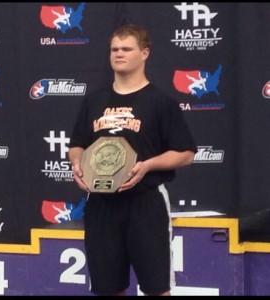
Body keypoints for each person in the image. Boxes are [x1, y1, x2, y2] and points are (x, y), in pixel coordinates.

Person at [68, 24, 197, 296]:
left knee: (156, 288)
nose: (119, 54)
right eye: (114, 49)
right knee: (107, 288)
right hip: (101, 202)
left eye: (126, 49)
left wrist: (148, 165)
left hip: (145, 203)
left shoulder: (161, 102)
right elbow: (77, 144)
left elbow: (186, 153)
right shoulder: (94, 101)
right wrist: (77, 164)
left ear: (145, 53)